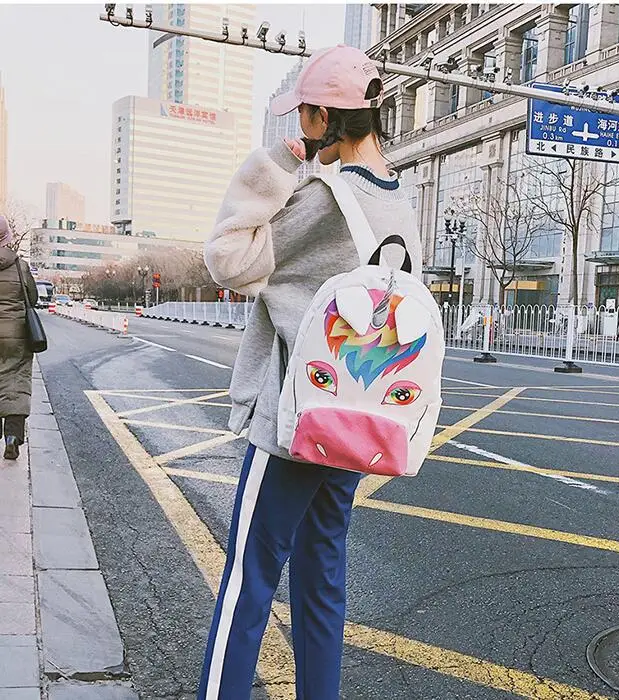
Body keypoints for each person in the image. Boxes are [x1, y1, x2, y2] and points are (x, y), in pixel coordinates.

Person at [198, 45, 421, 700]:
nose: (298, 126)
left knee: (248, 579)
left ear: (324, 118)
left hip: (296, 420)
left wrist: (275, 162)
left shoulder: (325, 197)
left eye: (302, 115)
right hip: (359, 417)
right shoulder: (399, 202)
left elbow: (227, 259)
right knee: (321, 577)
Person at [0, 214, 38, 461]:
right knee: (15, 382)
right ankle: (12, 437)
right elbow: (32, 298)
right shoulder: (19, 265)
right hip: (15, 335)